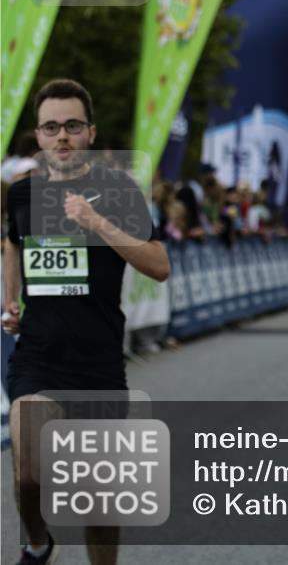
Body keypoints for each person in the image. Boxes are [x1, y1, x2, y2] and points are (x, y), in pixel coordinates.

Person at [3, 79, 171, 565]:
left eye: (72, 126)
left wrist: (96, 223)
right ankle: (38, 542)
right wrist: (11, 300)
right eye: (51, 127)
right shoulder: (23, 195)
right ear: (38, 136)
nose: (62, 138)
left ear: (91, 133)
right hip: (37, 356)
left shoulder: (117, 192)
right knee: (28, 464)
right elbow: (13, 242)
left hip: (97, 364)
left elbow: (159, 266)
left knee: (99, 499)